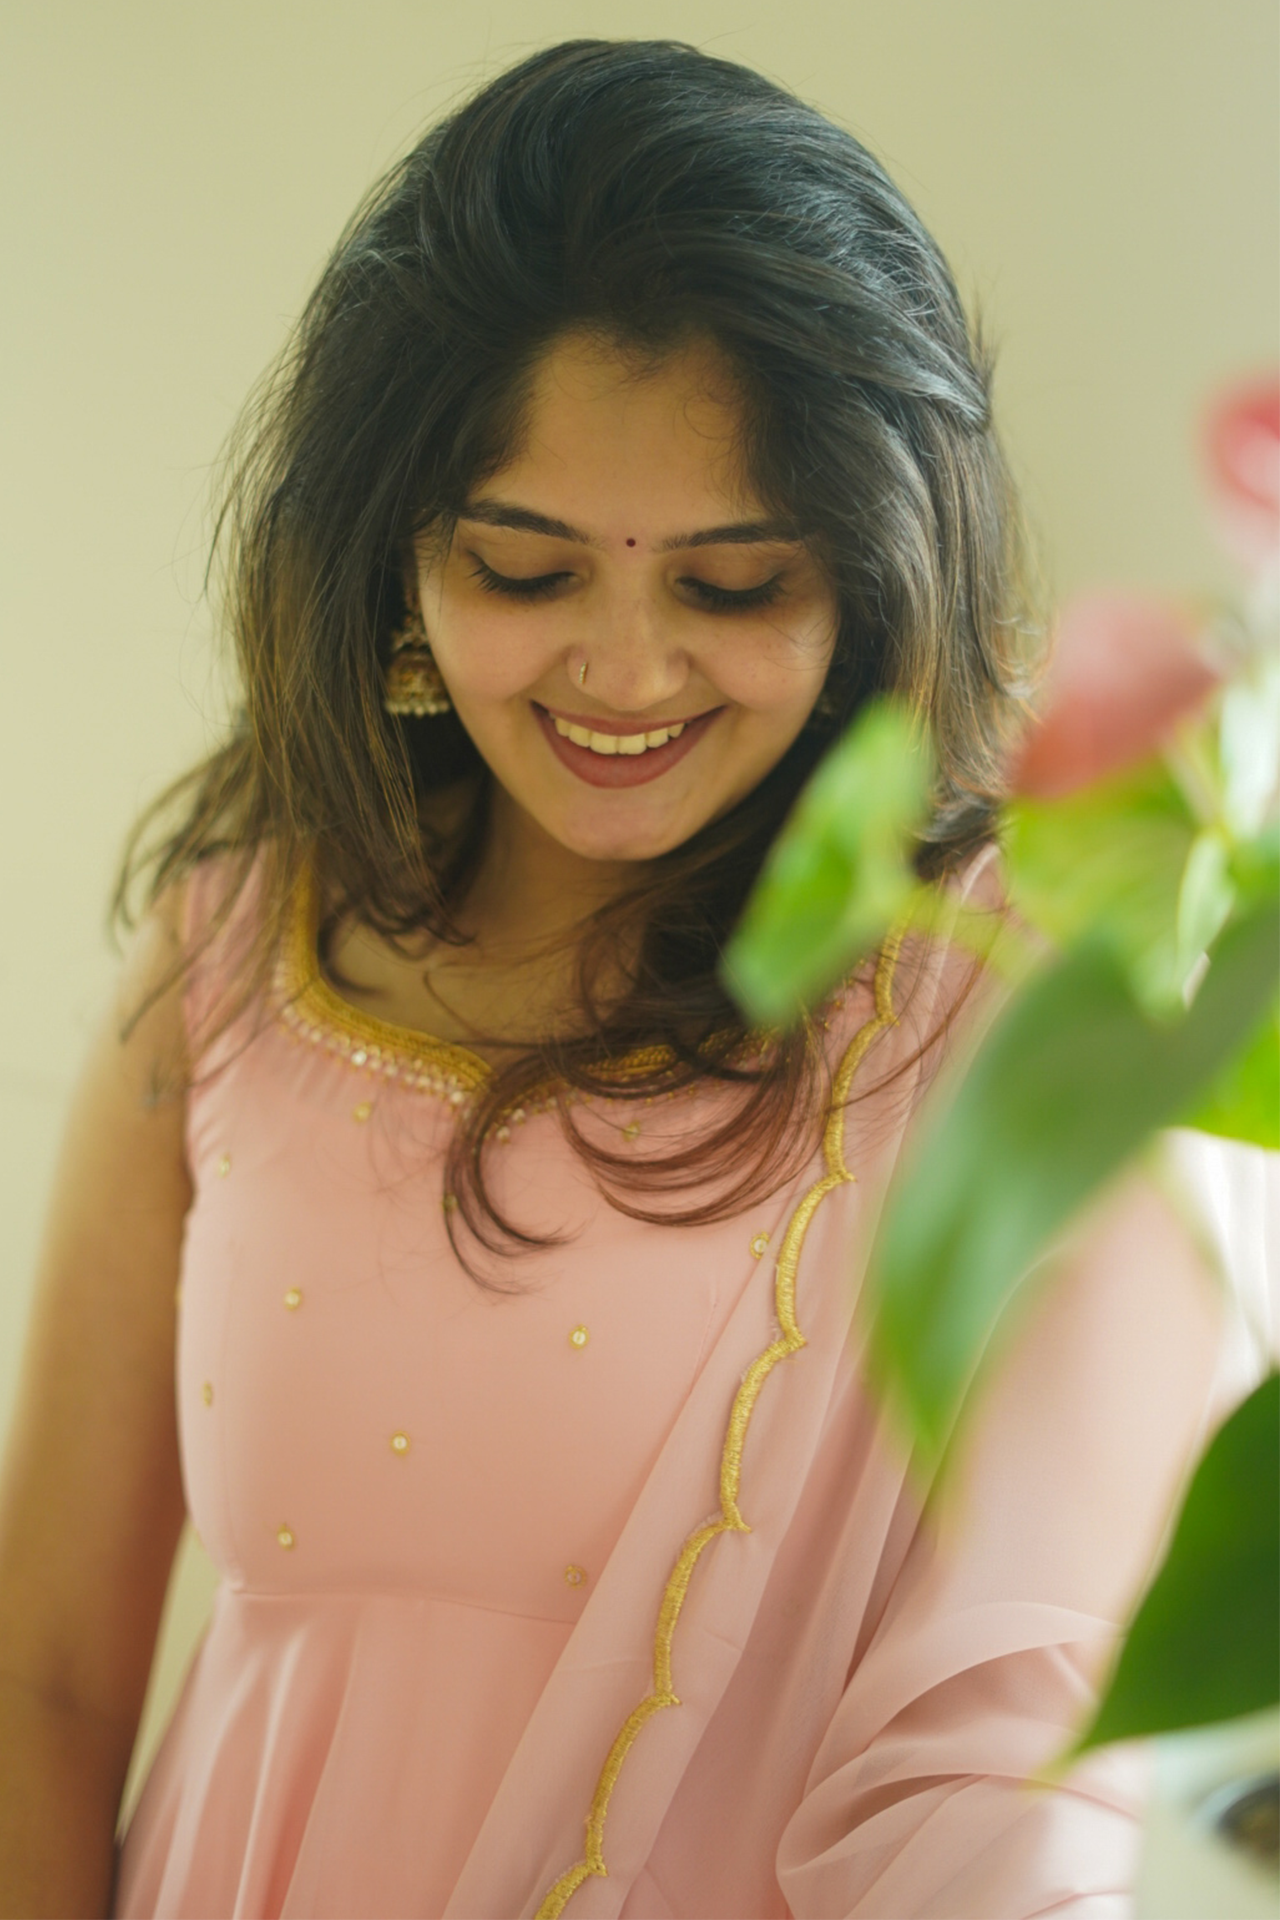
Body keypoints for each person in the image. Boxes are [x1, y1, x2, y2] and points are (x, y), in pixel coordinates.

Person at [0, 39, 1232, 1920]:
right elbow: (46, 1681)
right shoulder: (235, 958)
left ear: (870, 581)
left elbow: (1016, 1757)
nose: (627, 674)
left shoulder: (1006, 1004)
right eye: (526, 569)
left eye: (733, 588)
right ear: (397, 560)